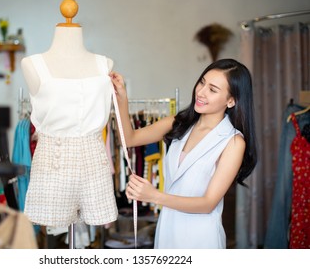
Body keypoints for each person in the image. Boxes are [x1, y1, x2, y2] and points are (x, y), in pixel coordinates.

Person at [110, 58, 257, 248]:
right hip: (167, 231)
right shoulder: (180, 123)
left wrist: (154, 196)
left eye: (213, 90)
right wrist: (122, 97)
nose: (201, 92)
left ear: (231, 101)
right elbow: (129, 139)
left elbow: (208, 203)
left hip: (201, 238)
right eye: (202, 82)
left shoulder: (233, 141)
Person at [21, 0, 118, 230]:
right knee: (55, 225)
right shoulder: (32, 64)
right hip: (52, 158)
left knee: (96, 221)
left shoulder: (104, 63)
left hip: (94, 156)